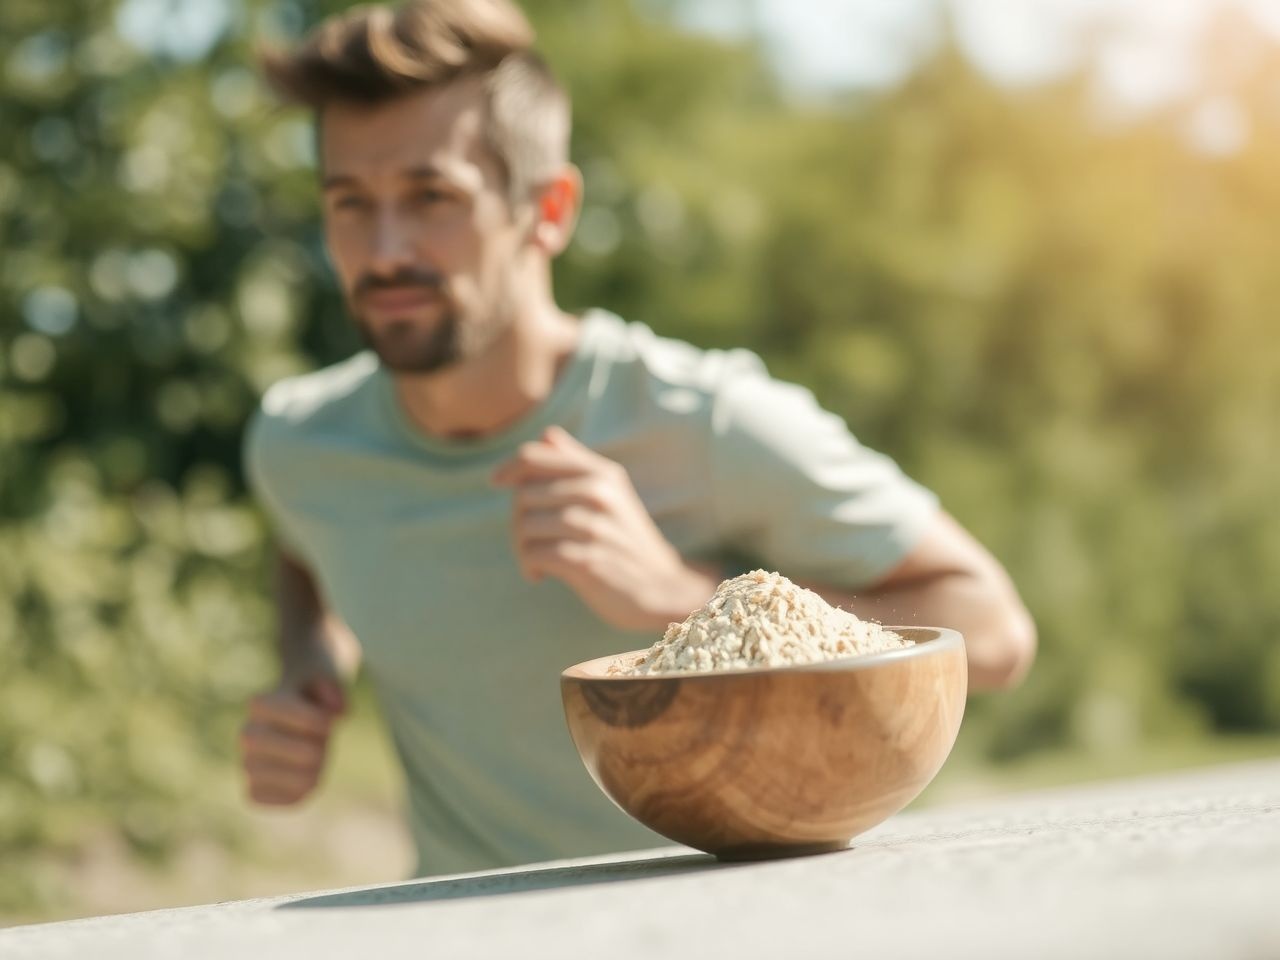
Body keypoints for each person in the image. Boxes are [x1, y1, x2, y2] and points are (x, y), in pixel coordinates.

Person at [239, 0, 1037, 878]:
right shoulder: (300, 443)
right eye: (350, 203)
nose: (384, 249)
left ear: (547, 209)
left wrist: (683, 598)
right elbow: (304, 540)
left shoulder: (707, 420)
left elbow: (993, 631)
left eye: (433, 197)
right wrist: (311, 666)